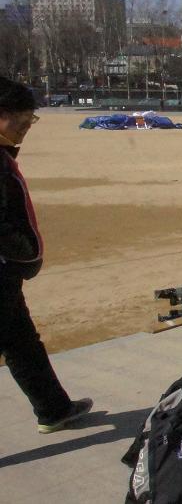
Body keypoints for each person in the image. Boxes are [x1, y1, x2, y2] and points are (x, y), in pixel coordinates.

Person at [0, 77, 93, 434]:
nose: (26, 128)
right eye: (20, 120)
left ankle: (53, 409)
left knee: (22, 343)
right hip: (3, 269)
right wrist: (23, 256)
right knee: (18, 341)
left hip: (7, 274)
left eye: (30, 121)